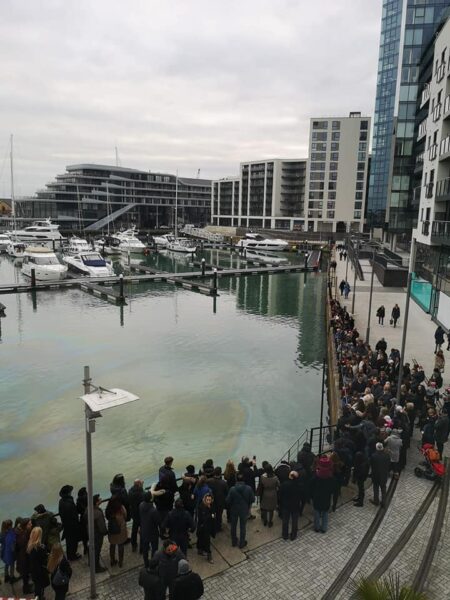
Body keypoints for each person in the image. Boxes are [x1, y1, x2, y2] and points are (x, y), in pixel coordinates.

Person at [226, 473, 255, 549]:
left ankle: (234, 541)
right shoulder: (248, 488)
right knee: (243, 526)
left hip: (234, 509)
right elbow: (253, 499)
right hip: (244, 509)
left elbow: (228, 501)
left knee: (233, 526)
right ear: (243, 480)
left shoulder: (232, 489)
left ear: (236, 479)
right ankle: (242, 543)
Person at [310, 456, 336, 533]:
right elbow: (333, 489)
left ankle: (317, 527)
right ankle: (324, 528)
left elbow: (311, 486)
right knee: (325, 512)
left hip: (317, 497)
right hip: (326, 497)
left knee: (317, 512)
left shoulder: (316, 476)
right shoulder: (331, 478)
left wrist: (311, 495)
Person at [58, 484, 81, 561]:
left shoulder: (61, 501)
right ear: (68, 493)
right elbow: (74, 516)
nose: (71, 492)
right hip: (72, 526)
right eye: (70, 491)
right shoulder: (69, 503)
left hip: (66, 525)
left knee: (69, 542)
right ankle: (73, 556)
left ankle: (70, 555)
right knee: (73, 541)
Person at [27, 526, 50, 600]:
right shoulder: (40, 548)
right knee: (41, 586)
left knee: (37, 585)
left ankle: (38, 596)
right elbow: (44, 559)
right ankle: (40, 597)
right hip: (40, 570)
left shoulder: (30, 545)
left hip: (34, 570)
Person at [139, 492, 161, 567]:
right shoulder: (153, 510)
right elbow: (158, 521)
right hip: (153, 532)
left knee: (145, 549)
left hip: (144, 530)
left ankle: (146, 563)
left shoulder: (141, 505)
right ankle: (153, 563)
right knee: (154, 549)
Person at [279, 471, 303, 541]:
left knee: (285, 520)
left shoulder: (284, 484)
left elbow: (280, 494)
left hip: (286, 505)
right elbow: (301, 496)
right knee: (294, 521)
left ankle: (285, 535)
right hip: (295, 505)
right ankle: (293, 535)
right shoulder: (299, 485)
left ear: (290, 476)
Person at [105, 495, 128, 568]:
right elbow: (125, 515)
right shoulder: (121, 508)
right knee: (121, 545)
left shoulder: (108, 509)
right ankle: (120, 562)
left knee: (112, 544)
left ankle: (112, 560)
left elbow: (107, 517)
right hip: (121, 528)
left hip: (112, 529)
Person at [88, 494, 107, 573]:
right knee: (96, 550)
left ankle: (90, 562)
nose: (101, 499)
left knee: (91, 548)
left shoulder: (88, 509)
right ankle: (96, 567)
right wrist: (105, 532)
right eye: (99, 499)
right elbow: (102, 527)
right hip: (97, 535)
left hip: (90, 532)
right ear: (96, 502)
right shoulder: (98, 513)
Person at [206, 467, 228, 532]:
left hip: (211, 501)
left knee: (212, 513)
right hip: (220, 502)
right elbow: (226, 493)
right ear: (220, 473)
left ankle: (211, 525)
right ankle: (218, 527)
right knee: (219, 515)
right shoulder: (224, 483)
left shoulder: (208, 481)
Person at [370, 442, 391, 507]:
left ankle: (376, 501)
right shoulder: (387, 456)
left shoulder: (373, 456)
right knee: (383, 489)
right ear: (382, 448)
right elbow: (389, 465)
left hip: (376, 475)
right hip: (384, 475)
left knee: (376, 488)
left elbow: (372, 465)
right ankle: (383, 502)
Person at [196, 493, 215, 564]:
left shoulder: (211, 506)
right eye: (207, 500)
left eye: (210, 500)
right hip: (203, 527)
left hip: (208, 526)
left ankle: (200, 550)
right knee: (206, 541)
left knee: (202, 539)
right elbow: (202, 518)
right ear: (205, 499)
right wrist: (211, 516)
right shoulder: (201, 506)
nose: (208, 501)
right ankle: (209, 555)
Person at [15, 517, 33, 594]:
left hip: (22, 558)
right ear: (25, 525)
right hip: (24, 560)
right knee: (25, 575)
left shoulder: (22, 533)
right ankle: (26, 590)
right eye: (29, 524)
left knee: (26, 575)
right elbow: (25, 548)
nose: (31, 525)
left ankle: (27, 586)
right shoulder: (23, 537)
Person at [128, 478, 145, 552]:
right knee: (142, 530)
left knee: (134, 530)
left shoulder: (130, 491)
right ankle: (142, 548)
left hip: (134, 514)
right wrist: (142, 487)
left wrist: (140, 486)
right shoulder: (141, 493)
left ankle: (133, 545)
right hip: (141, 514)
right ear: (139, 484)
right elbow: (144, 498)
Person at [76, 487, 88, 556]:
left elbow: (78, 511)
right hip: (88, 518)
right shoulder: (87, 499)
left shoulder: (78, 501)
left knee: (84, 535)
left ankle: (85, 548)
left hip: (82, 519)